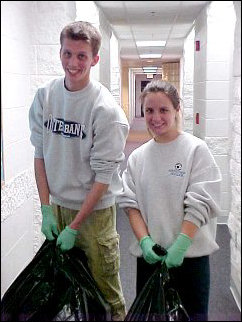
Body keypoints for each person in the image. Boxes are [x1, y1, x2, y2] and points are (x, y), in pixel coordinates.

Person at [29, 21, 129, 321]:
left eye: (82, 56)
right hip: (58, 207)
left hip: (95, 213)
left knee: (106, 288)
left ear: (95, 59)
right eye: (67, 53)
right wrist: (46, 208)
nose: (73, 63)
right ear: (59, 53)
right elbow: (40, 155)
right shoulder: (45, 97)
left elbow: (102, 177)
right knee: (66, 286)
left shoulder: (105, 111)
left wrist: (76, 226)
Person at [118, 80, 222, 321]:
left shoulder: (196, 150)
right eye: (149, 111)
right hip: (151, 259)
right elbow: (130, 204)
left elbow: (201, 202)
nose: (156, 117)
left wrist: (182, 244)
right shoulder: (137, 158)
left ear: (177, 110)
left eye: (163, 110)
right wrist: (144, 241)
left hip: (189, 260)